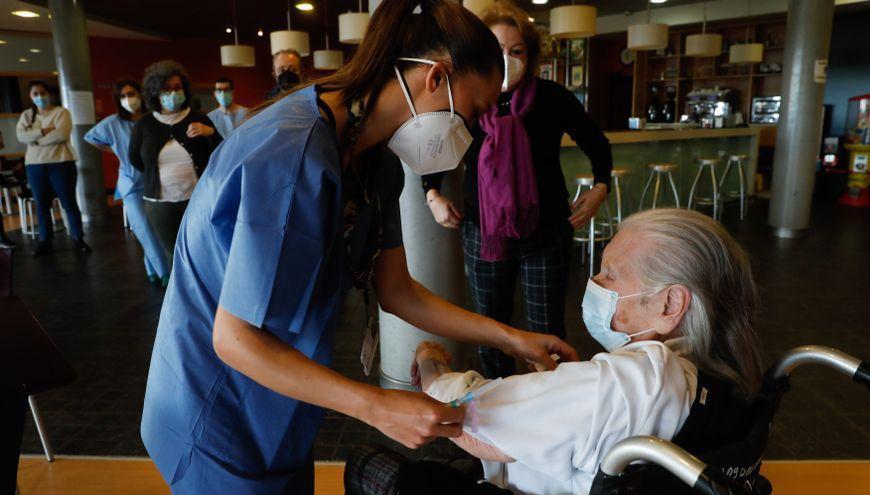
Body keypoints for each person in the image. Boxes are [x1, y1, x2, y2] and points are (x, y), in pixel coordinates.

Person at [140, 0, 578, 492]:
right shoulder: (293, 154)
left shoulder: (374, 157)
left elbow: (398, 291)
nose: (472, 132)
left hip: (277, 405)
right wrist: (376, 407)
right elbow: (234, 339)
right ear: (436, 77)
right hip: (216, 409)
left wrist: (511, 338)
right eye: (472, 112)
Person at [412, 209, 764, 494]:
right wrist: (562, 386)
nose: (594, 283)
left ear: (669, 304)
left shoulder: (624, 384)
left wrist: (432, 370)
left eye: (609, 275)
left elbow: (479, 426)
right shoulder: (720, 371)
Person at [422, 1, 613, 378]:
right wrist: (432, 194)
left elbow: (596, 142)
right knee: (491, 328)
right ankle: (499, 398)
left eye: (517, 51)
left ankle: (552, 401)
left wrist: (601, 186)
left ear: (531, 55)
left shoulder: (552, 98)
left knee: (548, 328)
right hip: (483, 232)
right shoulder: (466, 98)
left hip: (546, 232)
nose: (506, 59)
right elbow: (436, 149)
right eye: (497, 50)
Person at [129, 61, 221, 263]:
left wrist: (210, 133)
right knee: (173, 254)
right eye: (166, 88)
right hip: (159, 203)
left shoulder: (200, 118)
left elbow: (221, 152)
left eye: (177, 87)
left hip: (198, 199)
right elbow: (135, 159)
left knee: (203, 250)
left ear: (185, 89)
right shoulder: (143, 125)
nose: (173, 93)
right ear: (155, 92)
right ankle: (180, 294)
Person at [85, 79, 170, 286]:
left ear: (141, 94)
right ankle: (165, 273)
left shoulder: (154, 119)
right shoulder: (112, 123)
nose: (128, 99)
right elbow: (90, 137)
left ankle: (152, 268)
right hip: (131, 184)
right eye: (122, 96)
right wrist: (114, 150)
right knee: (143, 228)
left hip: (154, 181)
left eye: (131, 93)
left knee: (157, 228)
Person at [15, 80, 90, 256]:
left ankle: (78, 238)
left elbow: (61, 134)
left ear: (49, 94)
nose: (40, 96)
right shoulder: (26, 115)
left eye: (43, 93)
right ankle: (45, 240)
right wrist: (42, 131)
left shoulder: (61, 112)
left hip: (61, 163)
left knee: (69, 203)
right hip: (34, 166)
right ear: (30, 96)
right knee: (41, 205)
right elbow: (20, 136)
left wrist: (34, 140)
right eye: (35, 94)